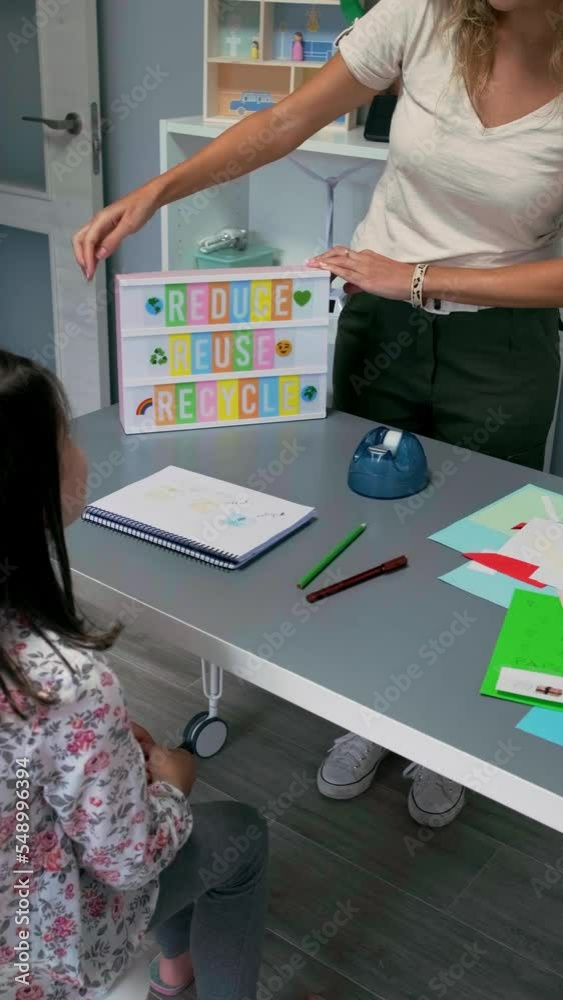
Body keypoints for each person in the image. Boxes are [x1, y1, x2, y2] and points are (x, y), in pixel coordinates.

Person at [73, 0, 563, 829]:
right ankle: (370, 715)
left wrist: (417, 277)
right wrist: (160, 188)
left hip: (501, 341)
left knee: (490, 552)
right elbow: (288, 118)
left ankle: (441, 741)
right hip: (380, 321)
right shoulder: (422, 16)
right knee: (368, 524)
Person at [0, 349, 271, 999]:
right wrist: (174, 787)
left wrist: (107, 754)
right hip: (40, 953)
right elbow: (129, 860)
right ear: (31, 483)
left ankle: (174, 972)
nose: (80, 450)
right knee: (239, 834)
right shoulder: (61, 686)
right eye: (67, 433)